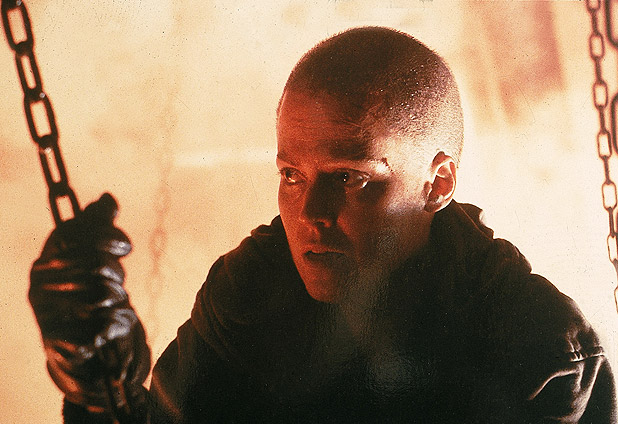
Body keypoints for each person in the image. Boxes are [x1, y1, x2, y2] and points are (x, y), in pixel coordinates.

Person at [29, 26, 617, 423]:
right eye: (292, 175)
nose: (310, 214)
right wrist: (98, 388)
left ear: (437, 184)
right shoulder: (251, 290)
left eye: (351, 178)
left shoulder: (539, 348)